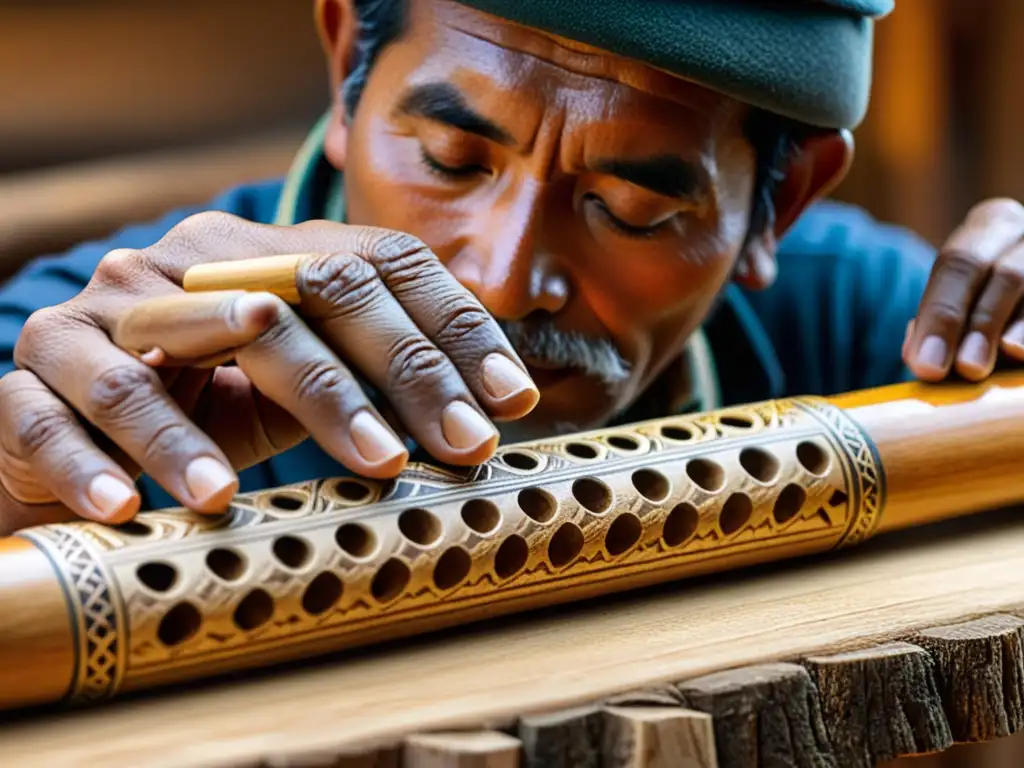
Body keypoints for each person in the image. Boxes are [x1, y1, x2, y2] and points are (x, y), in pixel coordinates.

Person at [0, 0, 1021, 535]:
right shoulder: (104, 345)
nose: (498, 280)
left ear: (781, 205)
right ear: (348, 58)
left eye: (631, 208)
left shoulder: (862, 328)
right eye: (451, 162)